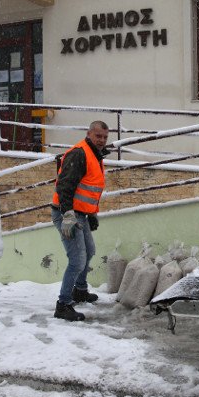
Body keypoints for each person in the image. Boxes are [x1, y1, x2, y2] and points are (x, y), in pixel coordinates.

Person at [51, 120, 110, 321]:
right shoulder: (79, 154)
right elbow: (64, 186)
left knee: (90, 251)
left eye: (105, 137)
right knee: (77, 260)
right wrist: (67, 216)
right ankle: (63, 304)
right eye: (98, 136)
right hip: (66, 213)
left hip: (80, 214)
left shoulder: (95, 155)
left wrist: (91, 214)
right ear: (89, 134)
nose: (102, 140)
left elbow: (88, 189)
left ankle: (80, 290)